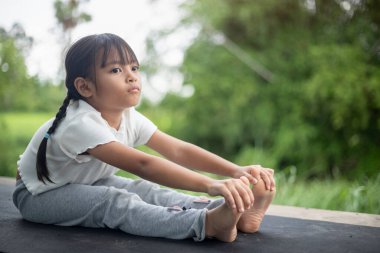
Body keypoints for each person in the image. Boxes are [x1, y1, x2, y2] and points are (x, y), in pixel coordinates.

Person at [13, 33, 276, 242]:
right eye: (115, 70)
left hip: (85, 179)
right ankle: (206, 224)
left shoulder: (127, 116)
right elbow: (144, 164)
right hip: (39, 197)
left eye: (134, 67)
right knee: (113, 202)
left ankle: (228, 209)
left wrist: (236, 170)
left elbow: (178, 150)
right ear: (85, 86)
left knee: (141, 189)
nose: (131, 76)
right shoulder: (80, 123)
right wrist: (211, 183)